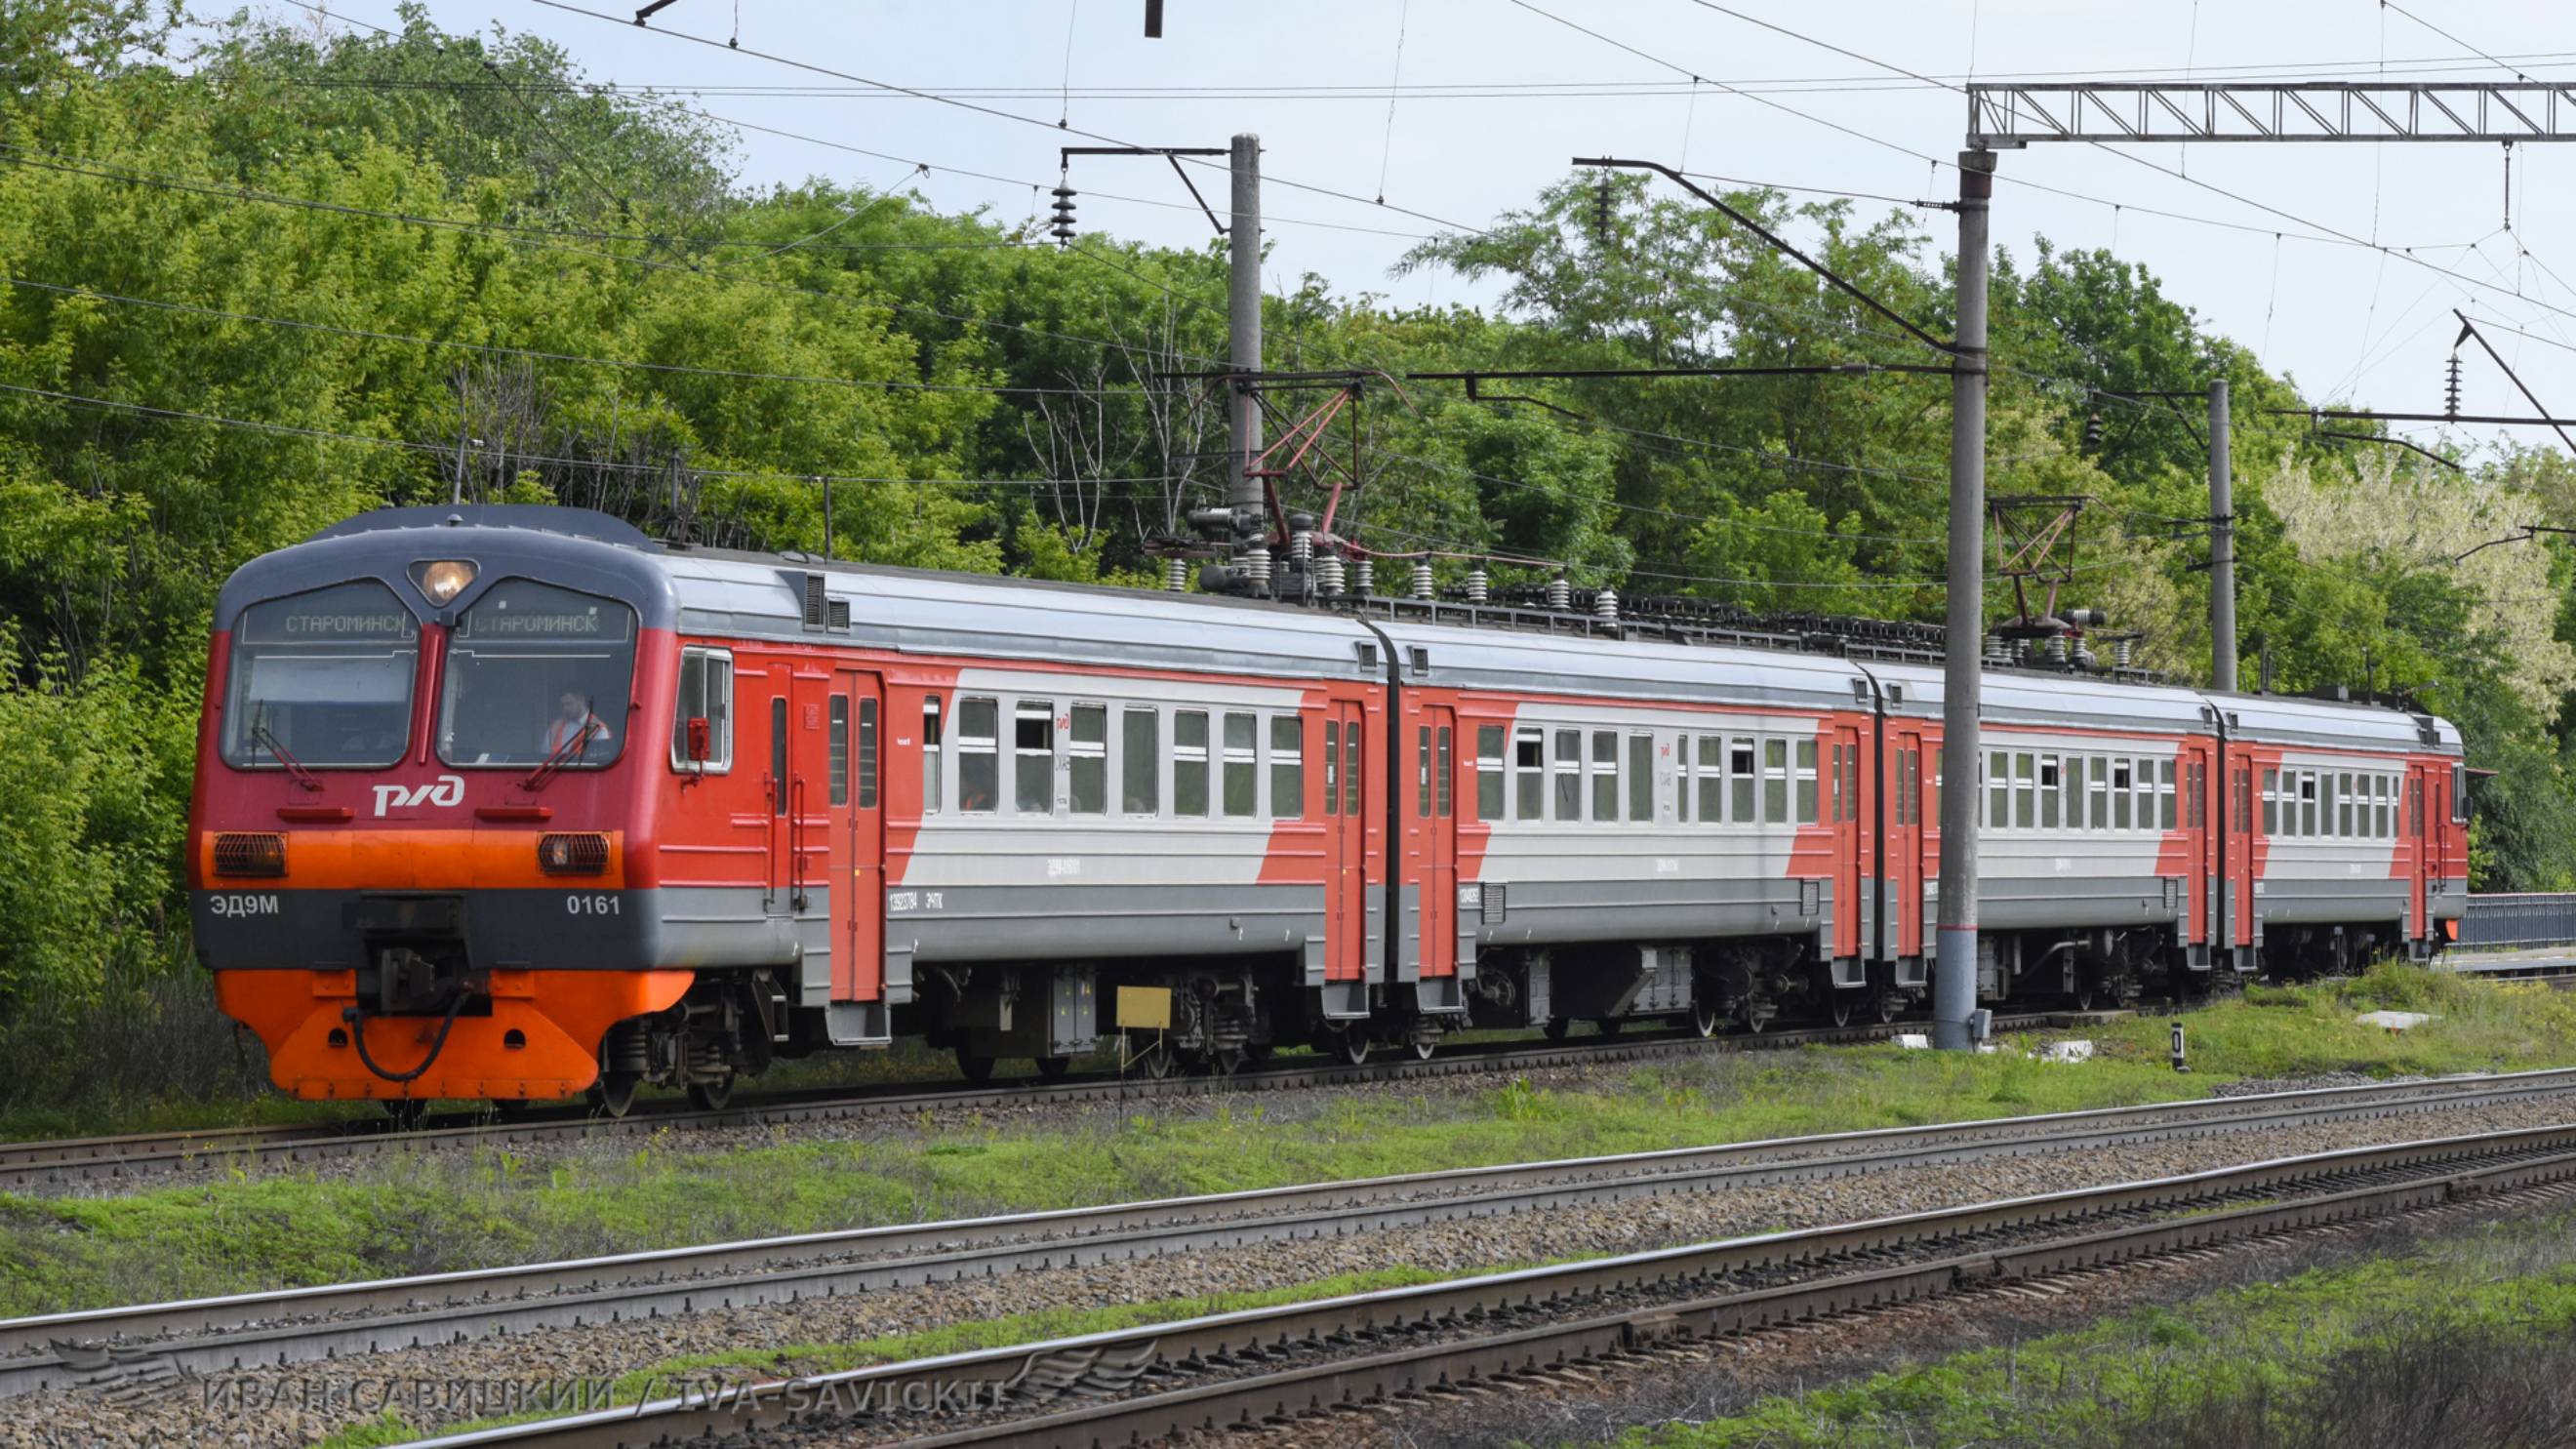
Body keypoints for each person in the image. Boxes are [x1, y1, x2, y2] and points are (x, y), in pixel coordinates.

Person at [544, 690, 613, 757]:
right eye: (563, 705)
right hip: (554, 768)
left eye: (569, 704)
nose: (565, 708)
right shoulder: (555, 726)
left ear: (581, 700)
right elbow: (544, 756)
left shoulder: (598, 728)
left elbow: (601, 760)